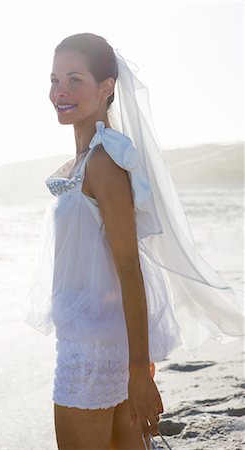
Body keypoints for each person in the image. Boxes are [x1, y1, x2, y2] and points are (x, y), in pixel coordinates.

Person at [24, 33, 244, 450]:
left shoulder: (105, 162)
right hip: (97, 339)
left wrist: (139, 371)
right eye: (54, 79)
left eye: (74, 79)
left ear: (107, 88)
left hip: (93, 349)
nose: (60, 91)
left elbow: (130, 267)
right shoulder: (87, 160)